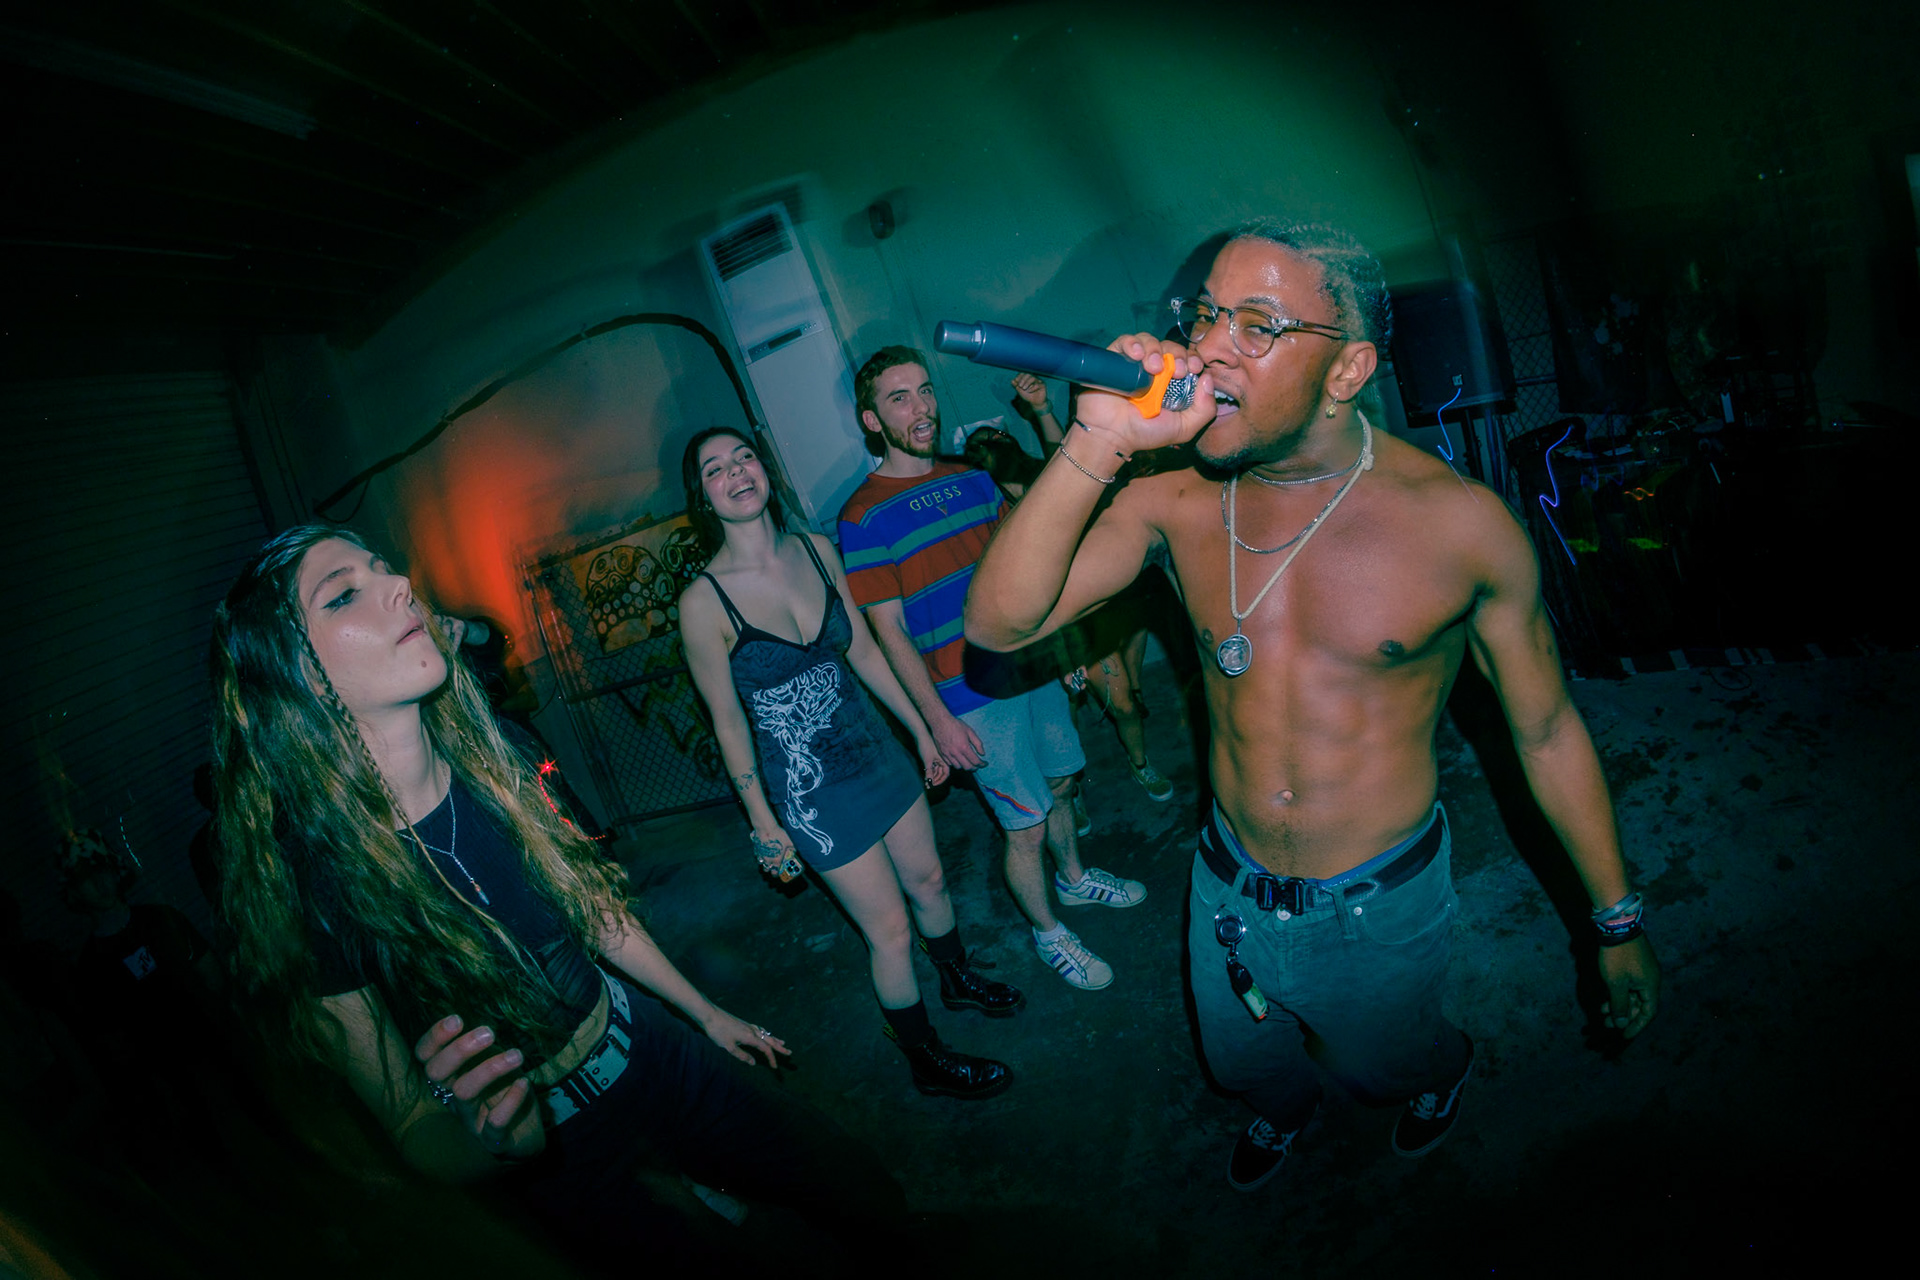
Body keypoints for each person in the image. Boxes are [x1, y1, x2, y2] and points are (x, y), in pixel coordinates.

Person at [965, 221, 1661, 1190]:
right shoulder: (1174, 493)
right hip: (1227, 885)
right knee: (1244, 1064)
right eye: (1206, 315)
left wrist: (1616, 923)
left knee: (1387, 1063)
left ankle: (1440, 1073)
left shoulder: (1459, 526)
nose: (1210, 349)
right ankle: (1283, 1108)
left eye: (1257, 326)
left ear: (1347, 370)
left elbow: (1544, 731)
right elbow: (999, 628)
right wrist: (1098, 438)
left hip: (1380, 902)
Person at [208, 525, 908, 1269]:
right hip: (563, 1160)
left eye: (383, 568)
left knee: (854, 1184)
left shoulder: (497, 758)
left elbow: (592, 909)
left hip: (646, 1045)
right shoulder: (316, 884)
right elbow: (408, 1121)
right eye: (343, 594)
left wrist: (704, 1012)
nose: (400, 585)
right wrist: (487, 1145)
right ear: (301, 677)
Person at [677, 426, 1017, 1100]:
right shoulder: (702, 603)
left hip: (875, 753)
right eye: (715, 469)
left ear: (764, 469)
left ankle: (957, 978)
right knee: (888, 930)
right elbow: (728, 722)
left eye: (744, 457)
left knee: (930, 881)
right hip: (813, 794)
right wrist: (762, 821)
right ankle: (925, 1059)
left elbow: (861, 650)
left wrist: (921, 729)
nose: (736, 472)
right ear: (704, 497)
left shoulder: (818, 549)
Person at [838, 348, 1147, 993]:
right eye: (900, 398)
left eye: (925, 391)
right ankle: (1048, 932)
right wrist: (937, 722)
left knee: (1063, 784)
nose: (921, 408)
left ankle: (1075, 879)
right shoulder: (862, 516)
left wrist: (1058, 650)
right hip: (967, 696)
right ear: (872, 420)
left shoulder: (972, 479)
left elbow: (1022, 577)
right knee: (1024, 823)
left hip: (1028, 668)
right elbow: (888, 631)